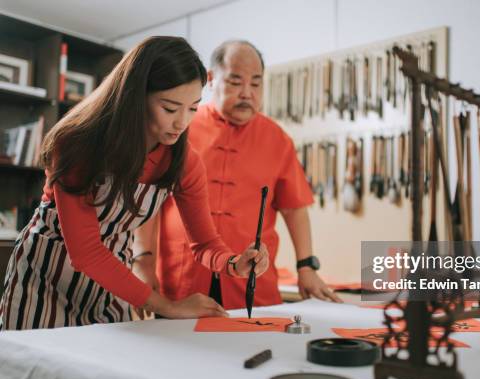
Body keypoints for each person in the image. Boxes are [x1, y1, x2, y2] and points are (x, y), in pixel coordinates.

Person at [0, 36, 269, 331]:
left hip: (114, 286)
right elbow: (86, 252)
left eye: (192, 108)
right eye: (170, 108)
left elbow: (205, 244)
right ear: (135, 97)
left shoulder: (184, 162)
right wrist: (166, 305)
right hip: (45, 279)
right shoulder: (78, 144)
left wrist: (234, 263)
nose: (182, 122)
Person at [133, 40, 341, 310]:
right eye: (235, 82)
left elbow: (294, 209)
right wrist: (144, 260)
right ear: (210, 79)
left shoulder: (278, 140)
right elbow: (149, 200)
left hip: (252, 282)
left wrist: (306, 267)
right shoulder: (178, 128)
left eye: (255, 83)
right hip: (180, 279)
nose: (246, 93)